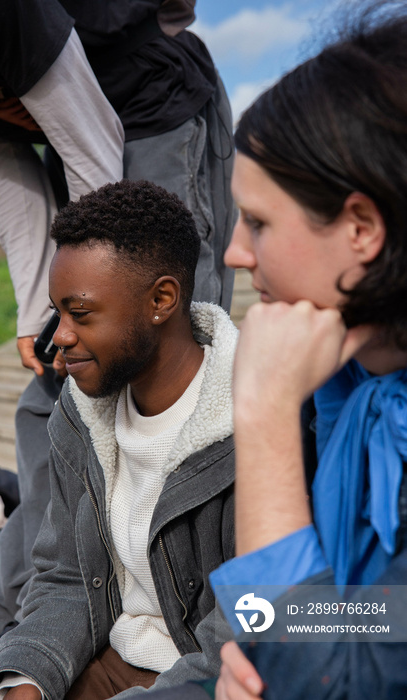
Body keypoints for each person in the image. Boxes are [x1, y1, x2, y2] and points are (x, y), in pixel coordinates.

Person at [130, 2, 407, 699]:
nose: (232, 252)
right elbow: (265, 631)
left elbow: (334, 681)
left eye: (257, 221)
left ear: (361, 228)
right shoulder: (341, 388)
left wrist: (263, 412)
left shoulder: (294, 398)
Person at [0, 0, 236, 648]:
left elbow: (93, 137)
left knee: (169, 371)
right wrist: (40, 315)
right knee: (53, 400)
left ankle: (198, 630)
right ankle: (3, 619)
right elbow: (2, 178)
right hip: (69, 144)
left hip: (149, 109)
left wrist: (95, 302)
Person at [0, 179, 237, 699]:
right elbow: (65, 578)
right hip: (108, 659)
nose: (59, 336)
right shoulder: (78, 418)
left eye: (81, 313)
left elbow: (249, 634)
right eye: (58, 312)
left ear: (162, 299)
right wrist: (27, 682)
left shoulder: (253, 421)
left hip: (203, 680)